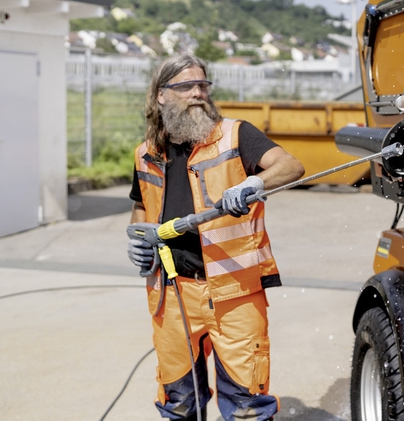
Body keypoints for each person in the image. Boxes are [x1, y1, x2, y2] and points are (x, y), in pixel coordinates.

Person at [127, 54, 304, 420]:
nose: (198, 93)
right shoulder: (146, 154)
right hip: (172, 295)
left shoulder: (235, 135)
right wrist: (139, 241)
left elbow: (291, 166)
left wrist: (254, 182)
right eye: (186, 86)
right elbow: (140, 206)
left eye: (203, 85)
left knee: (246, 408)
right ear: (161, 96)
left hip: (233, 292)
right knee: (178, 404)